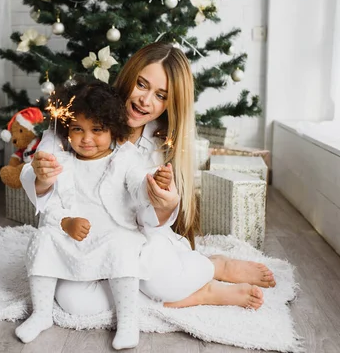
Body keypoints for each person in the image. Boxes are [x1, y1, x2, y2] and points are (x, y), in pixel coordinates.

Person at [20, 42, 275, 316]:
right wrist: (41, 175)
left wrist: (164, 205)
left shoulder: (158, 142)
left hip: (135, 235)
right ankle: (195, 293)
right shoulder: (83, 113)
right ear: (129, 77)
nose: (145, 100)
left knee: (161, 283)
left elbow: (148, 218)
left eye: (161, 95)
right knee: (75, 302)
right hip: (85, 237)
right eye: (141, 85)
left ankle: (215, 268)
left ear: (170, 104)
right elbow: (38, 171)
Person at [16, 79, 171, 350]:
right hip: (75, 235)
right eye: (78, 129)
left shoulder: (124, 159)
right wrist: (66, 222)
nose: (86, 139)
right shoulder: (63, 163)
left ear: (113, 129)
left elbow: (137, 187)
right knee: (43, 239)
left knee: (122, 247)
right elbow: (52, 205)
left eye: (97, 130)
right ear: (68, 130)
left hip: (112, 233)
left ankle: (127, 321)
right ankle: (41, 314)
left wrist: (154, 183)